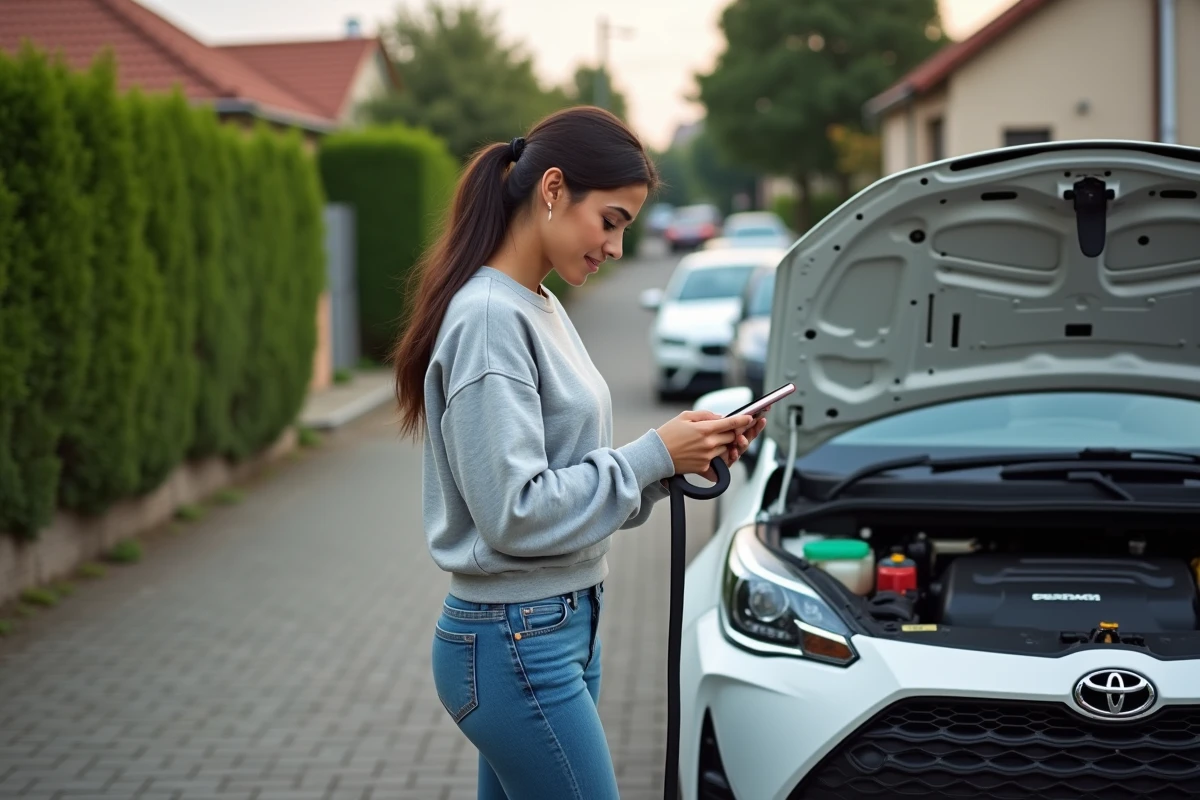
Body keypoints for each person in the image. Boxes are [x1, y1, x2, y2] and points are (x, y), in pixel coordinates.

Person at [392, 106, 766, 800]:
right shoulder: (488, 320)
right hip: (515, 641)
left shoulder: (537, 304)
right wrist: (653, 454)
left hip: (554, 631)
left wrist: (675, 461)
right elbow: (516, 514)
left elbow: (570, 487)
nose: (618, 247)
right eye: (613, 221)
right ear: (554, 190)